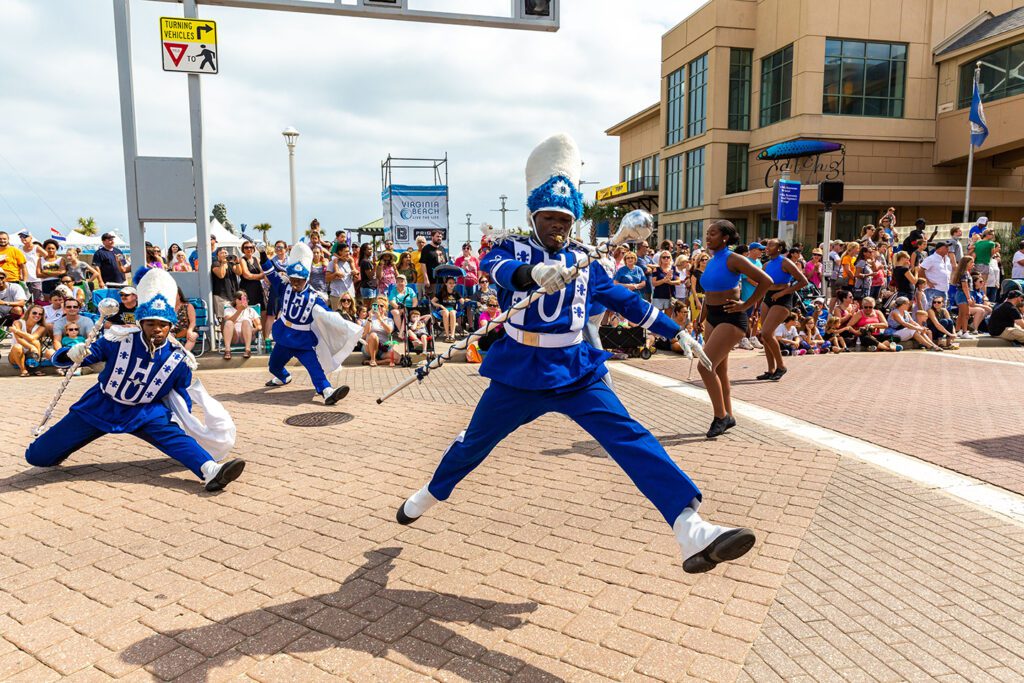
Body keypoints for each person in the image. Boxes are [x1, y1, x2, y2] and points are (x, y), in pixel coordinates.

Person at [394, 134, 744, 576]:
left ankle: (689, 528)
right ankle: (430, 492)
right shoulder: (511, 248)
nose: (557, 227)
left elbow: (625, 300)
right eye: (548, 219)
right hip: (520, 370)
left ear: (573, 219)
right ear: (533, 217)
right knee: (473, 445)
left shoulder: (586, 260)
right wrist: (531, 272)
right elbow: (494, 269)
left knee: (630, 435)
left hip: (576, 370)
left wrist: (677, 332)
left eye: (564, 219)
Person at [24, 267, 244, 491]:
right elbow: (75, 360)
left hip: (145, 412)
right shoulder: (117, 340)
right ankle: (59, 448)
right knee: (37, 456)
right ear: (141, 323)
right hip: (100, 405)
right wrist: (72, 353)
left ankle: (211, 470)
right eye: (151, 323)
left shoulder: (180, 360)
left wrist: (183, 422)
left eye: (162, 325)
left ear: (170, 326)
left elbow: (181, 395)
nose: (157, 329)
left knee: (174, 435)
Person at [692, 220, 772, 438]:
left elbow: (766, 281)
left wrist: (746, 305)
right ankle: (729, 415)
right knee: (719, 370)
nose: (708, 237)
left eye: (713, 234)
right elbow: (709, 293)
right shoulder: (711, 261)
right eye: (707, 234)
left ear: (725, 237)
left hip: (732, 317)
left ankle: (720, 416)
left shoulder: (734, 258)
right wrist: (701, 318)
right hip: (712, 318)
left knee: (704, 367)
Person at [263, 242, 360, 405]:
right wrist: (262, 256)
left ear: (306, 279)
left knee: (315, 369)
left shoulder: (315, 298)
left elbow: (329, 316)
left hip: (303, 341)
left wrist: (348, 327)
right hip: (284, 338)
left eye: (298, 281)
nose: (294, 284)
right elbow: (271, 273)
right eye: (293, 279)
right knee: (273, 366)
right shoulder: (284, 286)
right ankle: (284, 377)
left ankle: (328, 392)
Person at [757, 239, 810, 380]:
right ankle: (770, 369)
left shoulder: (785, 262)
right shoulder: (766, 264)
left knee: (767, 332)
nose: (767, 247)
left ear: (780, 248)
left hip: (783, 298)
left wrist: (783, 293)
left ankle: (781, 366)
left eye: (771, 245)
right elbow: (761, 284)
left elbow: (803, 281)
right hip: (767, 298)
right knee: (765, 335)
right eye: (766, 245)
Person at [8, 305, 52, 376]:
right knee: (17, 347)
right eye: (34, 313)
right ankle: (23, 370)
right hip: (15, 355)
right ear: (28, 313)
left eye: (40, 314)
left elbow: (32, 338)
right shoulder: (18, 322)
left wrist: (16, 331)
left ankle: (36, 367)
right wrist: (31, 347)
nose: (37, 315)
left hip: (31, 354)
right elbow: (19, 339)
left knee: (36, 342)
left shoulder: (42, 327)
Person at [221, 290, 260, 359]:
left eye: (245, 299)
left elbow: (259, 325)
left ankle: (248, 350)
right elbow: (228, 320)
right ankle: (227, 350)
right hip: (234, 336)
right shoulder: (229, 310)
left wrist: (255, 329)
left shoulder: (251, 310)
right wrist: (240, 310)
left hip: (246, 336)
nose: (243, 301)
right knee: (229, 322)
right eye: (240, 299)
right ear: (235, 300)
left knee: (245, 321)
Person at [362, 295, 395, 367]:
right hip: (369, 347)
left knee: (398, 359)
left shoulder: (389, 320)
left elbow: (389, 331)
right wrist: (370, 317)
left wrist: (379, 318)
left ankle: (378, 362)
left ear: (386, 308)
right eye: (377, 306)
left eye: (382, 306)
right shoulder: (370, 318)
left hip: (382, 348)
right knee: (373, 335)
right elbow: (366, 332)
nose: (379, 307)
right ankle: (373, 359)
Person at [234, 240, 266, 310]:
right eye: (246, 247)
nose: (249, 249)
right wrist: (260, 276)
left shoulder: (256, 259)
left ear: (253, 248)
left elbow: (263, 274)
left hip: (258, 288)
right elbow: (246, 275)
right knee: (244, 309)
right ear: (243, 249)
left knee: (262, 309)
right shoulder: (242, 260)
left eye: (251, 247)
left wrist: (254, 276)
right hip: (245, 289)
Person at [921, 241, 953, 306]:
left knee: (942, 312)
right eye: (946, 247)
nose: (948, 248)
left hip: (944, 289)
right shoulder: (931, 258)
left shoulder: (947, 259)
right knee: (932, 311)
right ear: (939, 249)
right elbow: (920, 270)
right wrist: (927, 282)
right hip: (933, 289)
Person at [951, 256, 976, 338]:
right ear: (966, 263)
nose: (973, 264)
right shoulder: (964, 273)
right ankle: (965, 332)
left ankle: (958, 330)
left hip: (962, 294)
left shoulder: (964, 272)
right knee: (966, 314)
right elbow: (965, 286)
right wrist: (968, 298)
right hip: (963, 294)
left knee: (961, 314)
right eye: (971, 262)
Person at [432, 276, 462, 342]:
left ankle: (452, 336)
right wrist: (440, 305)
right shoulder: (441, 292)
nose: (451, 284)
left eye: (453, 283)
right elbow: (432, 301)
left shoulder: (456, 293)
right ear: (446, 284)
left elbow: (462, 301)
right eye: (450, 283)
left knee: (452, 312)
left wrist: (464, 300)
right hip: (443, 310)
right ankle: (447, 335)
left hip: (452, 310)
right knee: (446, 312)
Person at [326, 243, 355, 311]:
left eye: (348, 251)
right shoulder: (332, 263)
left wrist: (355, 274)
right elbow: (326, 279)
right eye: (346, 251)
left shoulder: (349, 262)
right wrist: (335, 274)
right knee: (337, 319)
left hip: (350, 296)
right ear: (340, 252)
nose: (348, 253)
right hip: (337, 297)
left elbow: (355, 277)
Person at [210, 248, 238, 318]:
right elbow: (221, 275)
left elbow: (239, 272)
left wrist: (237, 262)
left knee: (233, 316)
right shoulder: (215, 263)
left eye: (225, 253)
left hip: (232, 295)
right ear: (217, 255)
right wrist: (223, 263)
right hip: (221, 295)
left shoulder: (231, 264)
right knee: (225, 318)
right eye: (222, 253)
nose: (224, 254)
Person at [18, 231, 45, 302]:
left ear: (31, 238)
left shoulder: (36, 247)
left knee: (38, 301)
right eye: (21, 237)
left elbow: (48, 257)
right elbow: (19, 264)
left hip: (36, 279)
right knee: (26, 302)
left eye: (25, 236)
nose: (23, 238)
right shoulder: (19, 249)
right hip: (24, 280)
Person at [171, 288, 198, 352]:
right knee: (168, 337)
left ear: (180, 295)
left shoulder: (187, 306)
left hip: (187, 329)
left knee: (192, 336)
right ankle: (174, 353)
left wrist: (189, 330)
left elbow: (193, 322)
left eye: (175, 294)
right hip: (173, 331)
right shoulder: (168, 308)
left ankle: (185, 354)